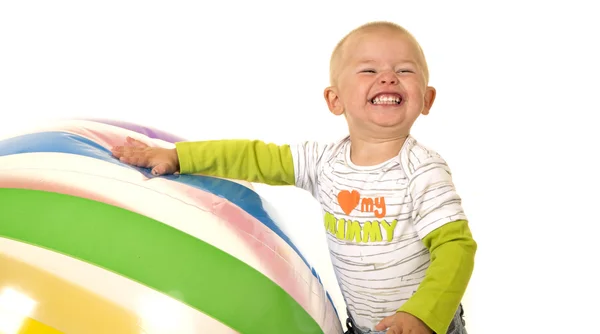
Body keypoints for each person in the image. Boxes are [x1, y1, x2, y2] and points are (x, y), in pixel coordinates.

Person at [111, 21, 477, 334]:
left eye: (404, 70)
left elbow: (455, 248)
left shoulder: (423, 170)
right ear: (335, 100)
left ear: (426, 99)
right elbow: (251, 157)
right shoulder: (323, 161)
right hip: (363, 325)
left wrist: (423, 315)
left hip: (426, 326)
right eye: (369, 70)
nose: (388, 77)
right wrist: (178, 157)